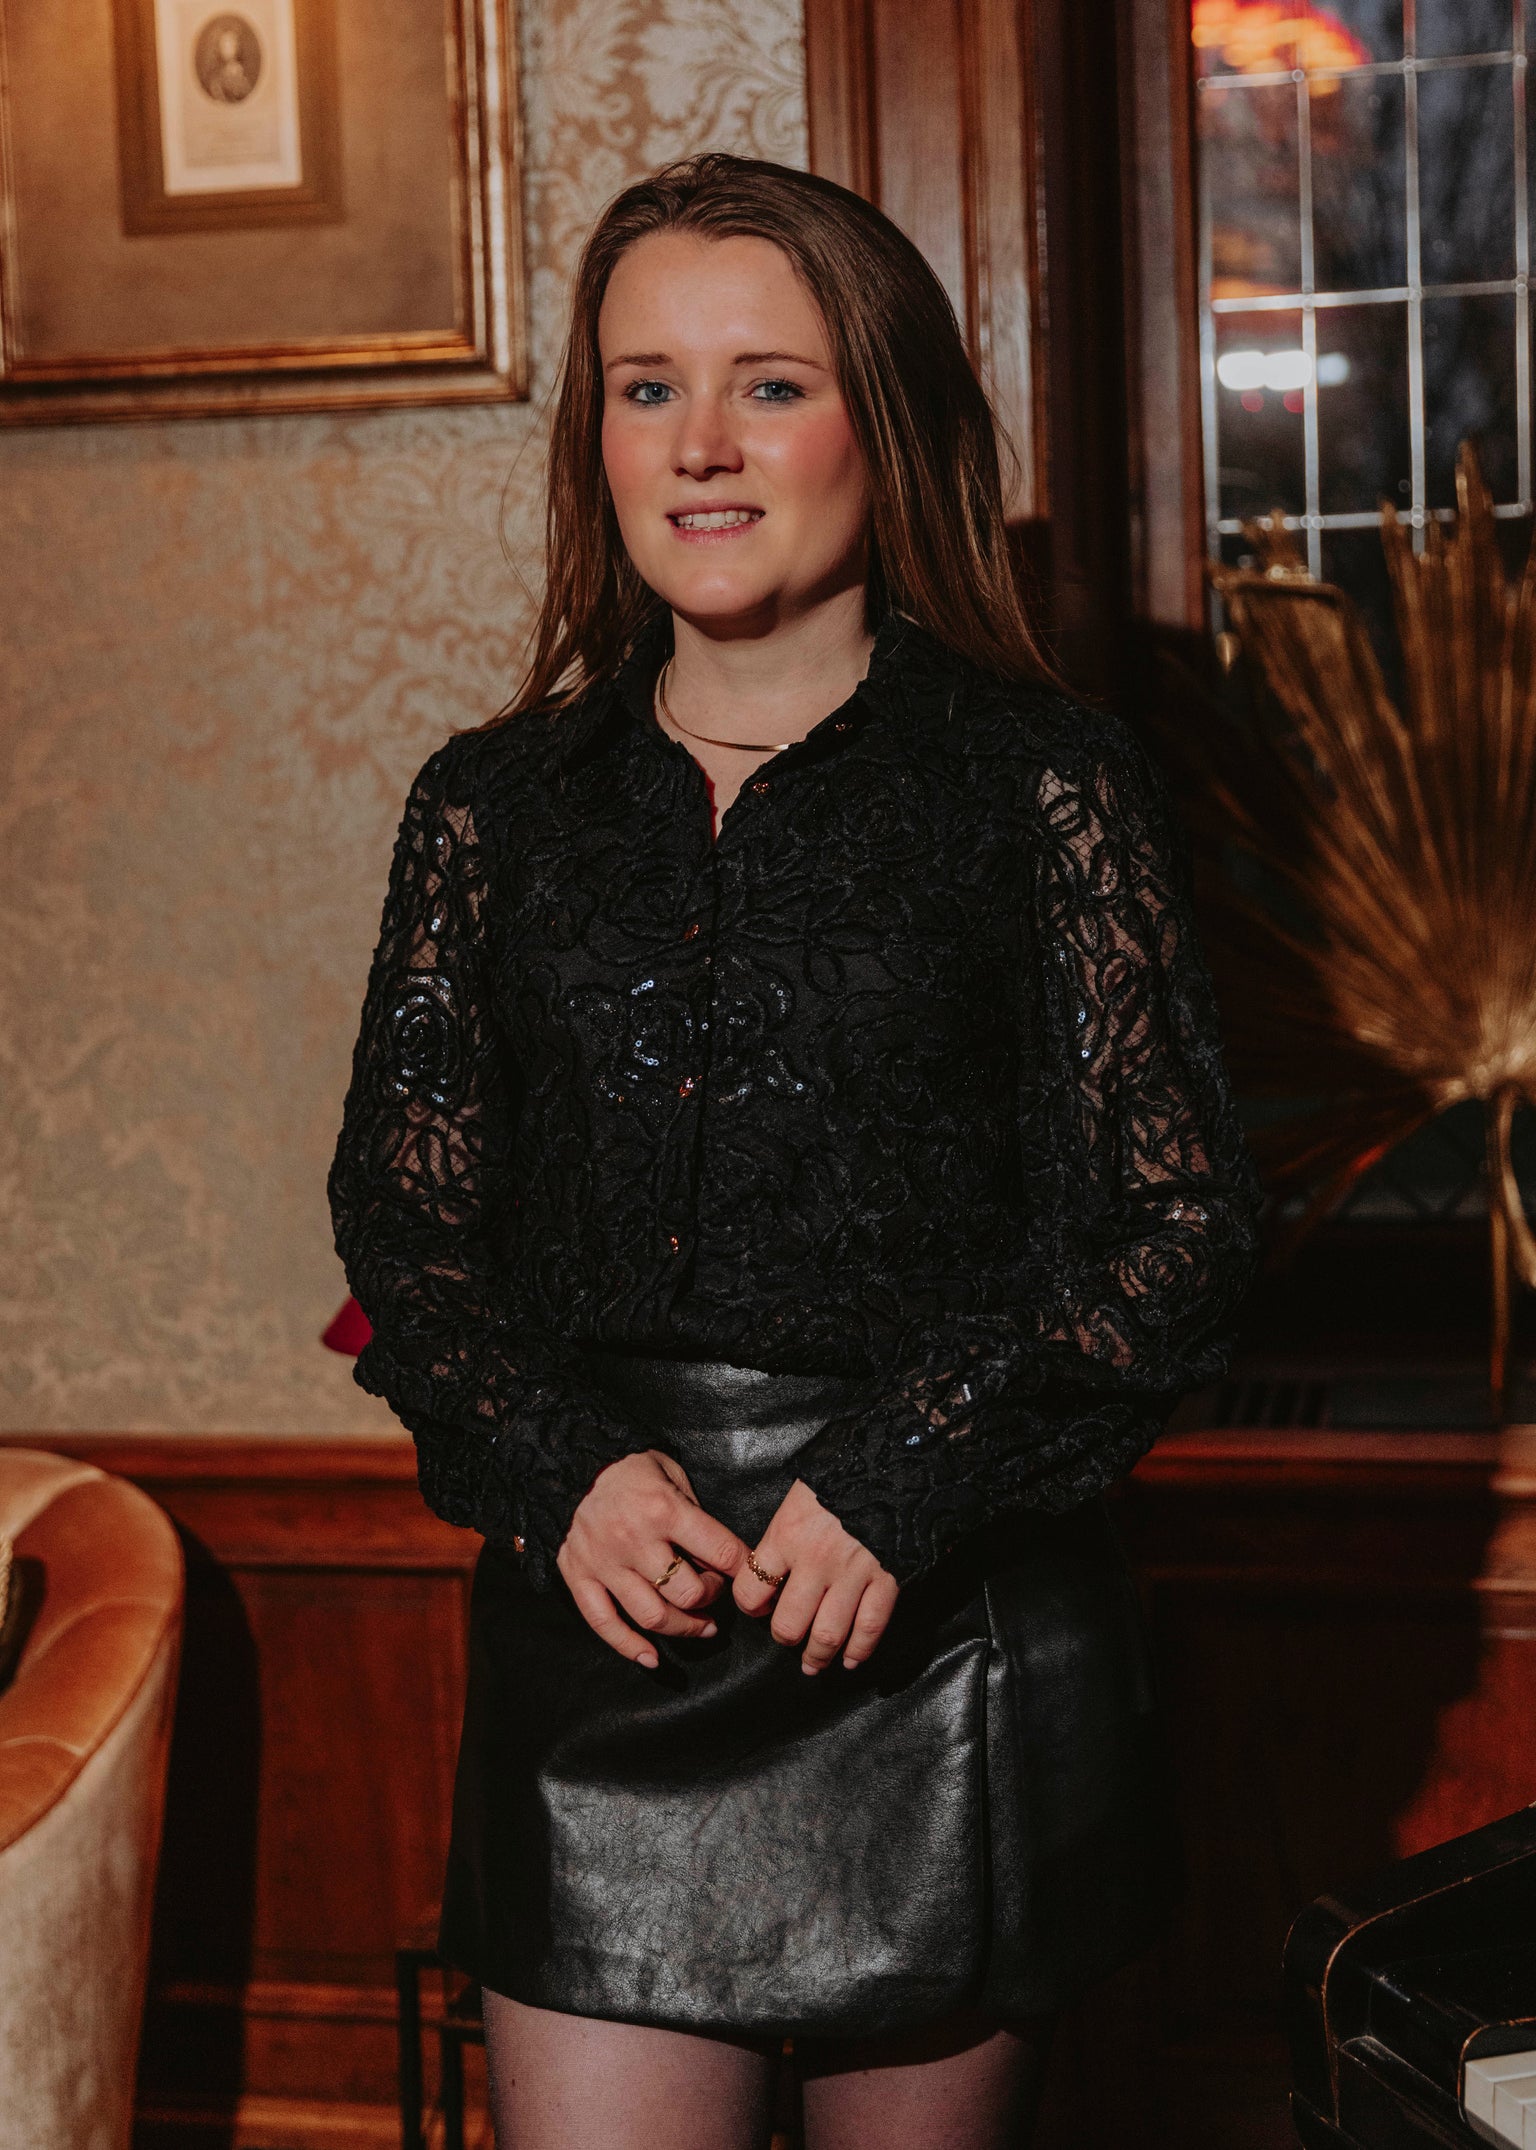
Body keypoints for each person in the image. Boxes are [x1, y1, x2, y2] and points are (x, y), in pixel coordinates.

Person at [329, 152, 1264, 2150]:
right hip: (604, 1616)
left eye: (769, 382)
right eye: (645, 386)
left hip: (935, 1624)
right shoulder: (493, 809)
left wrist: (910, 1466)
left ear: (884, 418)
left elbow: (1176, 1223)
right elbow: (404, 1224)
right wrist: (565, 1468)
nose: (701, 444)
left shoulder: (1044, 786)